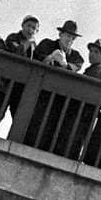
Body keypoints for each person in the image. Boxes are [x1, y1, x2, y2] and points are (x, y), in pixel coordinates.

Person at [24, 20, 84, 153]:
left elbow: (75, 68)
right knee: (34, 127)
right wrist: (51, 58)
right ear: (60, 34)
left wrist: (64, 64)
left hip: (60, 101)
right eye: (67, 36)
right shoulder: (47, 44)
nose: (70, 40)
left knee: (52, 131)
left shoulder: (76, 56)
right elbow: (37, 59)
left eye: (72, 38)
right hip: (41, 95)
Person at [0, 15, 40, 135]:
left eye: (34, 28)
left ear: (37, 31)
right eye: (28, 26)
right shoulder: (13, 37)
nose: (30, 30)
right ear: (22, 25)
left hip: (20, 87)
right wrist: (28, 43)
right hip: (6, 84)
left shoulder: (34, 47)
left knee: (18, 115)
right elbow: (16, 52)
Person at [65, 38, 101, 161]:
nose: (91, 54)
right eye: (91, 51)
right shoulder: (90, 69)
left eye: (96, 52)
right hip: (77, 112)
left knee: (74, 142)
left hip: (86, 115)